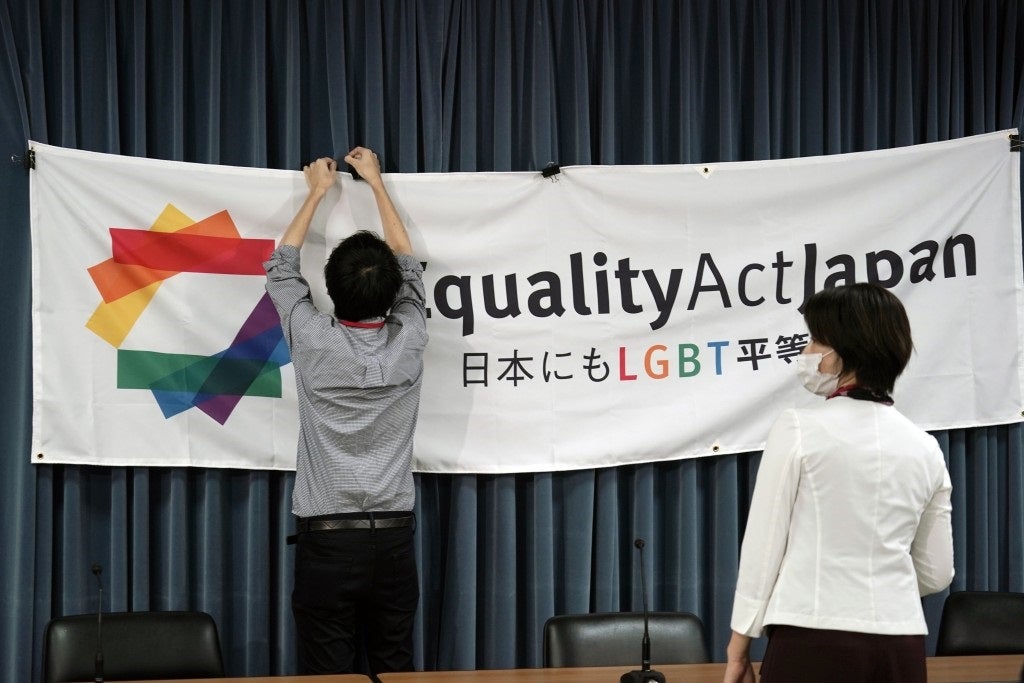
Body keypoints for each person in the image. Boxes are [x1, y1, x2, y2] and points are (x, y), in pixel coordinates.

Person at [723, 283, 954, 683]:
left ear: (842, 351)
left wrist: (738, 645)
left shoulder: (798, 429)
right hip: (900, 641)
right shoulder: (925, 447)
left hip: (811, 634)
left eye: (815, 340)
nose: (808, 351)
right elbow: (937, 572)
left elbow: (764, 548)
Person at [264, 147, 428, 678]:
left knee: (327, 675)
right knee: (395, 669)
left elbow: (282, 271)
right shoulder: (410, 338)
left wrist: (316, 192)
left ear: (330, 290)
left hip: (328, 542)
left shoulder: (312, 338)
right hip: (395, 541)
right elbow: (410, 269)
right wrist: (376, 184)